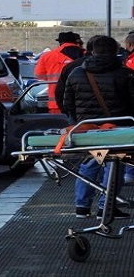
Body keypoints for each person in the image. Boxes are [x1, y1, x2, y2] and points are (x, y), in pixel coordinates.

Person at [63, 36, 134, 219]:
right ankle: (106, 207)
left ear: (92, 51)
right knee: (114, 165)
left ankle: (82, 206)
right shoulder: (124, 74)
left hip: (87, 128)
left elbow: (67, 103)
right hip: (118, 129)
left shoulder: (76, 73)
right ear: (115, 51)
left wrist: (79, 121)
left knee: (90, 161)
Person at [35, 31, 85, 113]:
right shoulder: (85, 55)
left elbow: (39, 76)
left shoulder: (48, 56)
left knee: (59, 125)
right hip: (82, 102)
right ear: (75, 41)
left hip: (56, 103)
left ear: (60, 42)